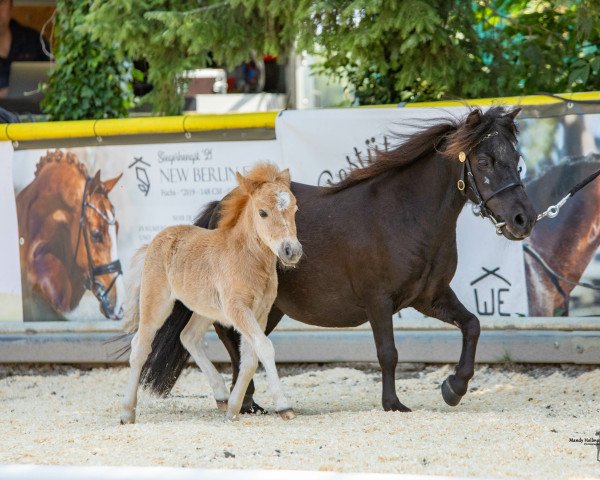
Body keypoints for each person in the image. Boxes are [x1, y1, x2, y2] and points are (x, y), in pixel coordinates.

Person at [0, 0, 51, 98]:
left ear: (11, 6)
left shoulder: (34, 40)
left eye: (1, 3)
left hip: (33, 110)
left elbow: (54, 77)